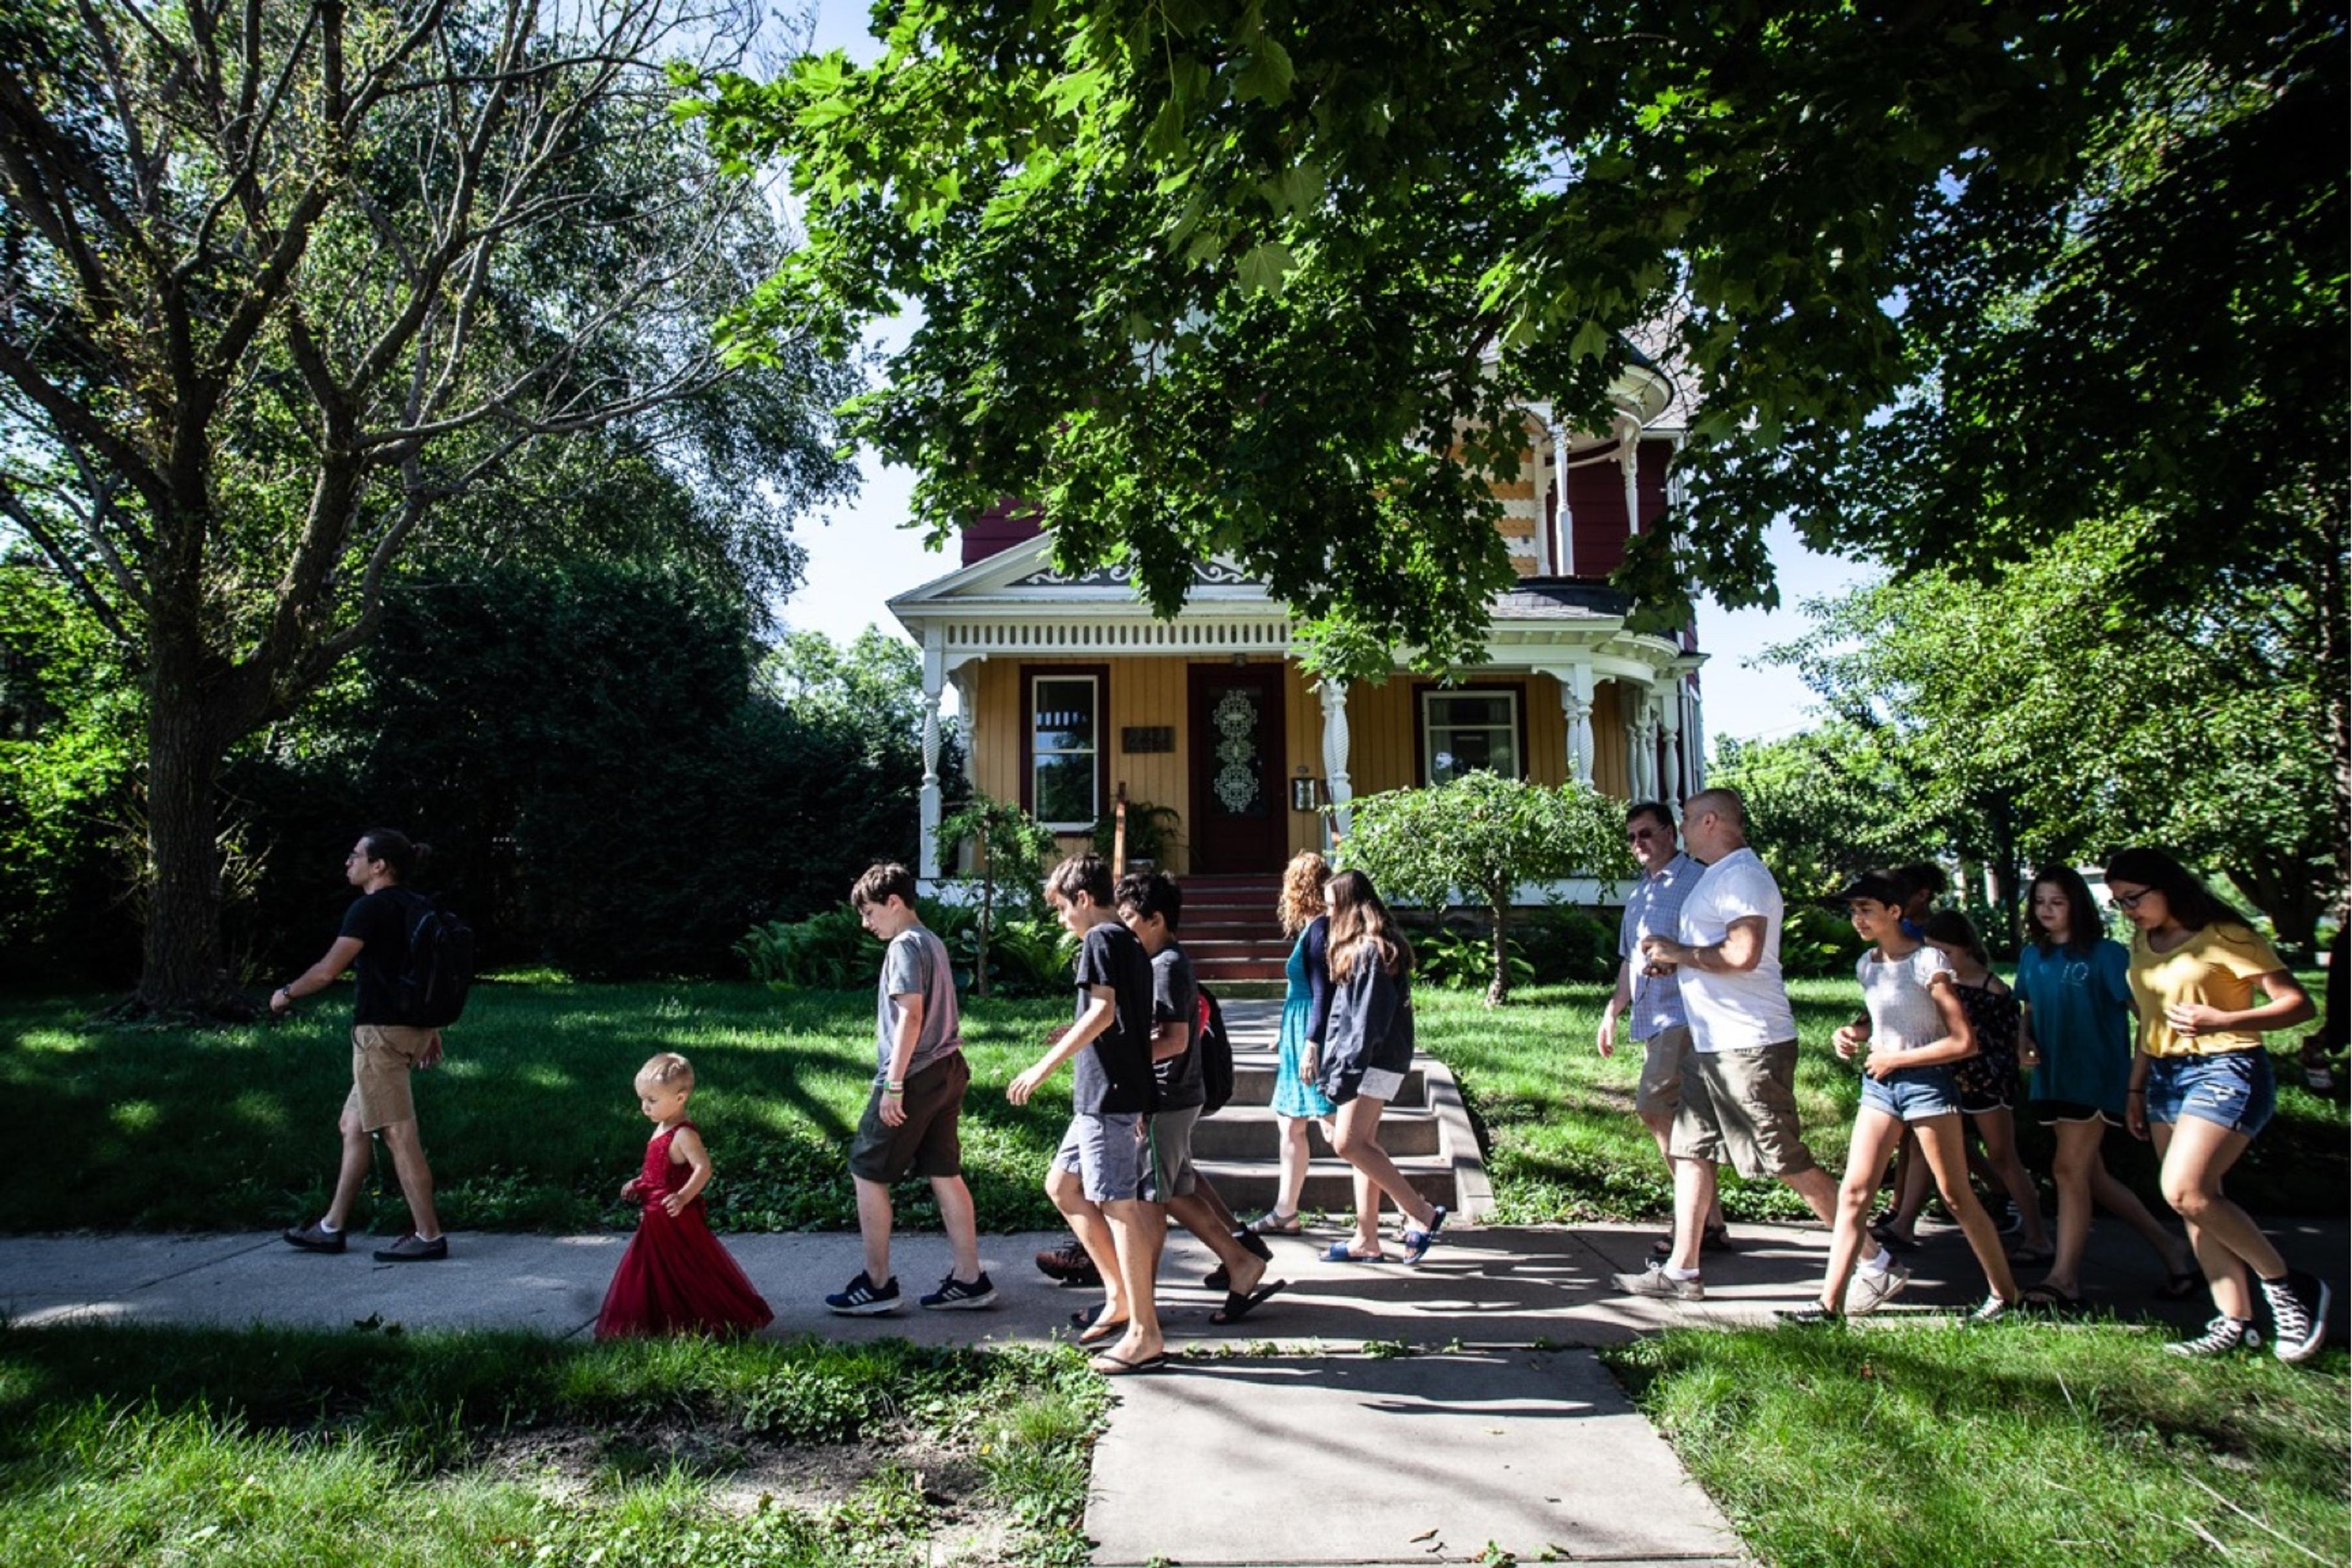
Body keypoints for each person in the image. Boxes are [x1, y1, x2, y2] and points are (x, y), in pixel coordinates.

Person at [1616, 788, 1903, 1306]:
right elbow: (1717, 952)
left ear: (1710, 821)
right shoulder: (1718, 876)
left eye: (1684, 821)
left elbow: (1744, 953)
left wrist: (1679, 952)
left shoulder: (1743, 876)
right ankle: (1682, 1271)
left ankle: (1874, 1261)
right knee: (1690, 1148)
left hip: (1748, 1044)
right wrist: (1675, 960)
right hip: (1711, 1044)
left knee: (1782, 1158)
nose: (1680, 830)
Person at [2107, 847, 2328, 1361]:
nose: (2128, 911)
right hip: (2164, 1075)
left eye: (2134, 899)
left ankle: (2290, 1286)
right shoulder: (2143, 942)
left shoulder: (2228, 937)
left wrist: (2223, 1021)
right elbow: (2149, 1020)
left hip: (2227, 1068)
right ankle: (2236, 1322)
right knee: (2195, 1204)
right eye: (2119, 903)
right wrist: (2136, 1089)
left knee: (2186, 1190)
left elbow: (2300, 1004)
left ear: (2166, 887)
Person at [1782, 874, 2019, 1324]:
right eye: (1853, 911)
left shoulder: (1928, 962)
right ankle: (1827, 1306)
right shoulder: (1867, 964)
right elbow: (1884, 1018)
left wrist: (1898, 1059)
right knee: (1853, 1193)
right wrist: (1854, 1034)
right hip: (1881, 1085)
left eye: (1867, 909)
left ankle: (2005, 1295)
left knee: (1955, 1196)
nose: (1858, 919)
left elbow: (1963, 1042)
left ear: (1895, 912)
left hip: (1928, 1084)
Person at [1008, 853, 1168, 1375]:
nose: (1062, 921)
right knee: (1063, 1186)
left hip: (1110, 1099)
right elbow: (1119, 1020)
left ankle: (1145, 1334)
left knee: (1119, 1206)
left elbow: (1103, 1012)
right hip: (1107, 1095)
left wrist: (1042, 1067)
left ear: (1082, 898)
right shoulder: (1127, 940)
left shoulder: (1101, 939)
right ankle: (1119, 1293)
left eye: (1061, 909)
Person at [2011, 864, 2197, 1312]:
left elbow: (2145, 1016)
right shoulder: (2032, 956)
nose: (2047, 910)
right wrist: (2023, 1040)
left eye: (2058, 902)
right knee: (2091, 1176)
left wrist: (2138, 1079)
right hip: (2051, 1078)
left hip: (2096, 1077)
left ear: (2078, 904)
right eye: (2040, 902)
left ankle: (2065, 1279)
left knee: (2067, 1170)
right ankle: (2172, 1251)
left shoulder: (2108, 954)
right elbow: (2029, 1008)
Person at [824, 863, 995, 1315]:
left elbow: (910, 1017)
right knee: (944, 1171)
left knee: (867, 1169)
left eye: (870, 912)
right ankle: (970, 1278)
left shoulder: (903, 946)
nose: (866, 923)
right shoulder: (932, 941)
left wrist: (893, 1085)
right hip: (949, 1068)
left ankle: (877, 1285)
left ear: (894, 903)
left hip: (916, 1074)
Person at [1116, 870, 1284, 1324]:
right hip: (1174, 1095)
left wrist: (1119, 1057)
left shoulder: (1166, 966)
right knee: (1174, 1190)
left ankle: (1237, 1262)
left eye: (1129, 918)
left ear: (1155, 920)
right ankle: (1236, 1259)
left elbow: (1173, 1039)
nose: (1123, 927)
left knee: (1159, 1194)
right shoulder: (1162, 962)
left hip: (1169, 1096)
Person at [274, 829, 449, 1262]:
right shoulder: (417, 905)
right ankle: (331, 1227)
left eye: (356, 856)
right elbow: (424, 974)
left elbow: (326, 972)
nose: (347, 862)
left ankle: (429, 1235)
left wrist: (286, 993)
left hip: (380, 1037)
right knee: (353, 1126)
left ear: (379, 866)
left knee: (398, 1133)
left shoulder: (369, 909)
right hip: (411, 1030)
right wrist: (432, 1029)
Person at [1868, 911, 2054, 1265]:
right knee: (1924, 1147)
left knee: (2003, 1155)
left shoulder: (1992, 988)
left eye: (1947, 953)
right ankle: (1904, 1224)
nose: (1941, 961)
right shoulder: (1931, 981)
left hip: (1985, 1081)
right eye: (1934, 952)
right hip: (1942, 1076)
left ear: (1967, 949)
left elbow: (2004, 1041)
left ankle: (2037, 1235)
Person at [1597, 801, 1728, 1259]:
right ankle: (1706, 1219)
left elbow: (1720, 946)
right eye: (1632, 837)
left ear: (1672, 833)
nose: (1639, 845)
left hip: (1688, 1016)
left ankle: (1693, 1218)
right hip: (1653, 1018)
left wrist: (1680, 959)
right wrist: (1613, 1011)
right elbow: (1631, 960)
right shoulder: (1640, 894)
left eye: (1647, 834)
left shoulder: (1699, 882)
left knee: (1654, 1105)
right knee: (1676, 1120)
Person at [1306, 869, 1447, 1264]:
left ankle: (1421, 1212)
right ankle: (1366, 1237)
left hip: (1373, 1062)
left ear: (1351, 907)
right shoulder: (1370, 948)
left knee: (1347, 1143)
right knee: (1362, 1145)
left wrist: (1344, 1071)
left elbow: (1366, 1024)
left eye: (1334, 907)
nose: (1329, 915)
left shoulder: (1370, 951)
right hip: (1377, 1060)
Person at [595, 1054, 774, 1338]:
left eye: (652, 1101)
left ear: (680, 1098)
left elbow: (703, 1168)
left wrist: (683, 1196)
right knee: (653, 1270)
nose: (645, 1107)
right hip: (655, 1217)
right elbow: (659, 1171)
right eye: (642, 1099)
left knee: (683, 1270)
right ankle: (657, 1321)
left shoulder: (683, 1135)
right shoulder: (662, 1127)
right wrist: (639, 1183)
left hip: (674, 1216)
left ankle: (702, 1319)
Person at [1254, 851, 1338, 1234]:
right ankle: (1286, 1210)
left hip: (1310, 1035)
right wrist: (1284, 1032)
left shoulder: (1320, 927)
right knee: (1290, 1124)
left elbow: (1323, 991)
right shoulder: (1312, 928)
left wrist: (1311, 1043)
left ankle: (1408, 1206)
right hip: (1296, 1031)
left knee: (1339, 1131)